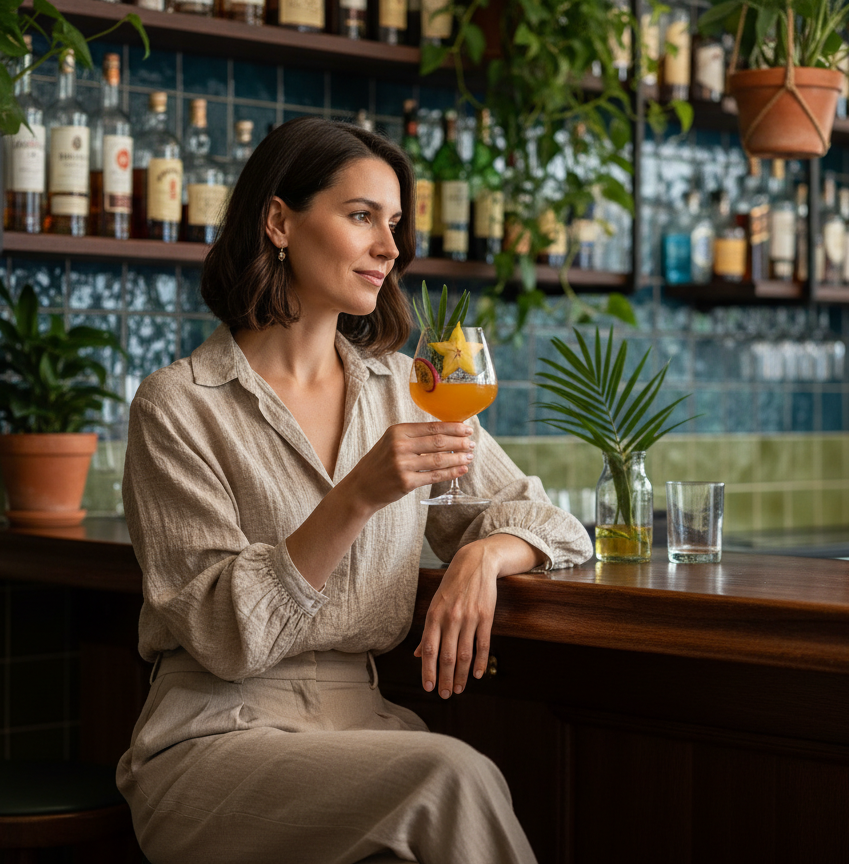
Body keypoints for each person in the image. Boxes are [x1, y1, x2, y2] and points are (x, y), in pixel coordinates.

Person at [116, 116, 592, 864]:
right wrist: (355, 495)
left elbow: (551, 522)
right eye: (361, 216)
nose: (389, 249)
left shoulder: (409, 390)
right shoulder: (177, 405)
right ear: (279, 221)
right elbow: (221, 637)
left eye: (395, 223)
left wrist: (483, 557)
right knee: (453, 777)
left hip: (365, 722)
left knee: (449, 779)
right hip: (217, 736)